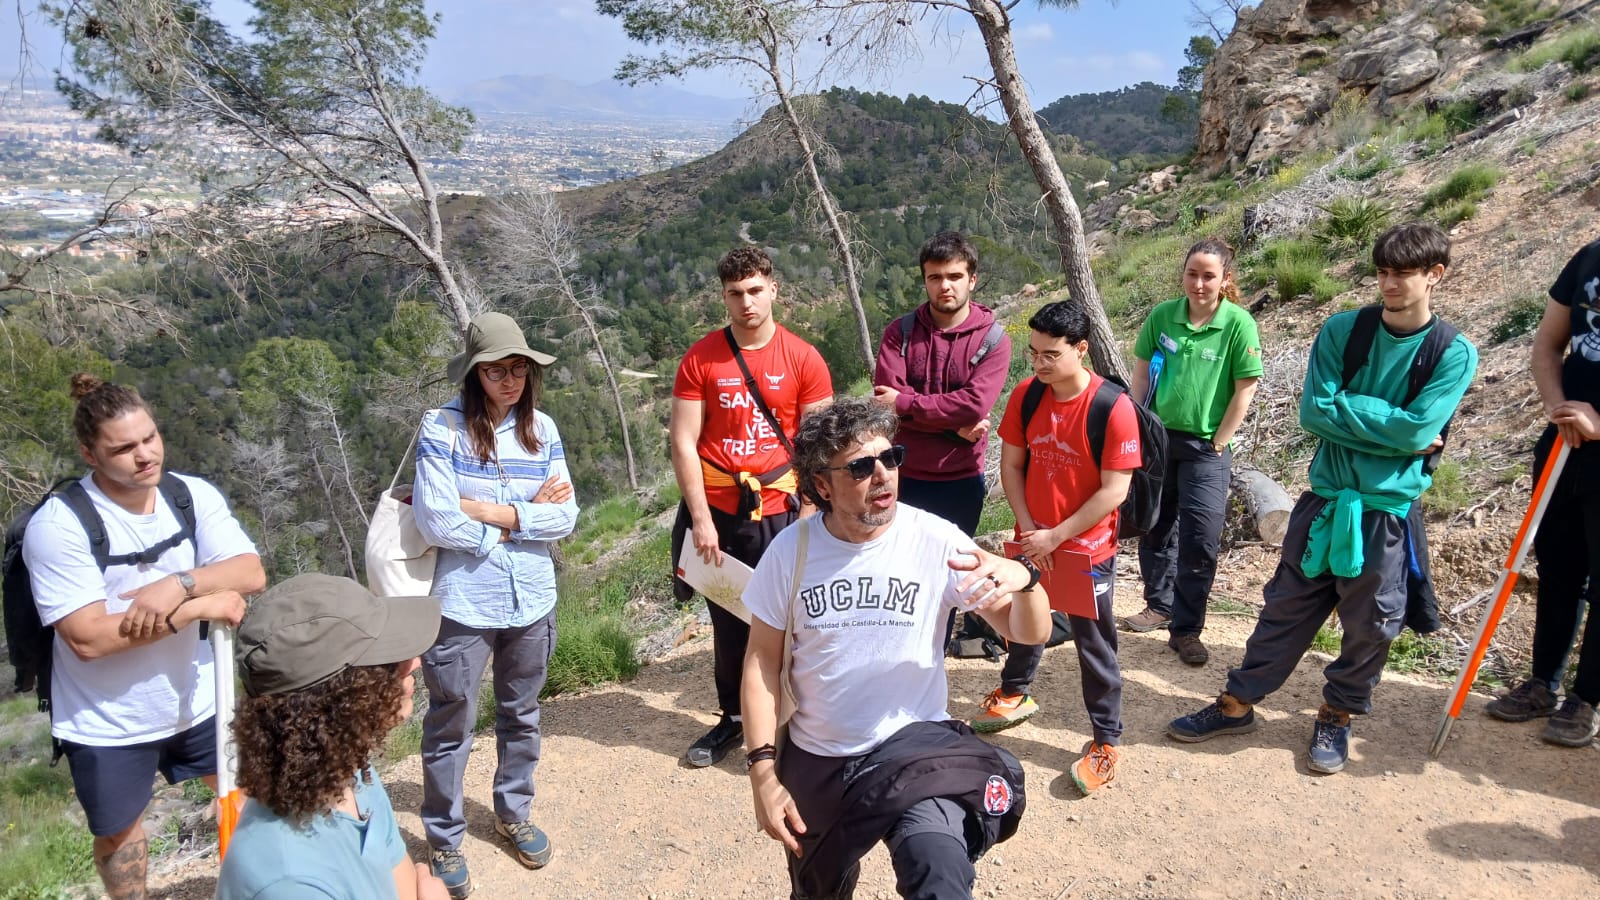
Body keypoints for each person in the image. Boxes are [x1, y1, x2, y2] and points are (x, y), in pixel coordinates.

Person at [1168, 222, 1478, 774]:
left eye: (1402, 274)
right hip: (1326, 498)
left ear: (1435, 275)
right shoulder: (1343, 331)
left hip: (1385, 510)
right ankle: (1237, 704)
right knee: (1285, 607)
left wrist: (1354, 413)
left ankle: (1336, 714)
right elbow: (1317, 413)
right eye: (1382, 271)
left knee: (1373, 623)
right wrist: (1395, 427)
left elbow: (1415, 431)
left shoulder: (1451, 352)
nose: (1388, 284)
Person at [741, 396, 1048, 899]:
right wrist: (762, 773)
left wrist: (1027, 580)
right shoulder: (789, 553)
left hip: (914, 750)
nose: (882, 475)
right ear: (822, 485)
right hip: (821, 758)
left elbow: (1027, 632)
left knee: (939, 869)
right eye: (860, 467)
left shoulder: (934, 539)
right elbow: (761, 662)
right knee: (817, 887)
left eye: (891, 458)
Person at [21, 374, 265, 900]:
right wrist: (195, 606)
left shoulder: (188, 496)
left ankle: (257, 888)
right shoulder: (59, 526)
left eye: (149, 437)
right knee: (117, 831)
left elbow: (249, 572)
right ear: (89, 453)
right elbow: (88, 638)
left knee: (243, 795)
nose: (145, 455)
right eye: (124, 448)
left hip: (199, 697)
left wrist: (175, 585)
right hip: (105, 718)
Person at [413, 312, 579, 898]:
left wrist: (489, 512)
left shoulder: (544, 430)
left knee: (522, 713)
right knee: (450, 720)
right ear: (474, 373)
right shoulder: (442, 429)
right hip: (464, 601)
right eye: (495, 371)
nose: (509, 381)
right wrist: (520, 522)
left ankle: (514, 811)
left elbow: (567, 515)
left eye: (518, 369)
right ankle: (445, 836)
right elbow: (435, 518)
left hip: (531, 596)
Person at [669, 247, 833, 767]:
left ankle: (796, 723)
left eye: (755, 290)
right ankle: (734, 721)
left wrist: (810, 517)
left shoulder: (803, 358)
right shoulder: (701, 359)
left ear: (774, 290)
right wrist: (700, 520)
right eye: (735, 293)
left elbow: (818, 445)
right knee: (728, 619)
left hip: (781, 509)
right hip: (719, 510)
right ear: (724, 297)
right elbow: (684, 441)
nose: (746, 303)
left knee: (789, 619)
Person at [219, 574, 449, 900]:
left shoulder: (350, 776)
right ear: (340, 699)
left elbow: (404, 885)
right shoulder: (289, 882)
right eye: (385, 659)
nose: (412, 663)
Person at [993, 301, 1142, 794]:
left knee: (1094, 642)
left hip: (1085, 549)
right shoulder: (1026, 397)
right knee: (1024, 620)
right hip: (1032, 537)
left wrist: (1055, 537)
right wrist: (1030, 529)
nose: (1038, 365)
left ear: (1082, 349)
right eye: (1033, 353)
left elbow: (1114, 490)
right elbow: (1012, 466)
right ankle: (1015, 691)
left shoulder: (1112, 407)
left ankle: (1105, 740)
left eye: (1050, 355)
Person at [1122, 238, 1263, 667]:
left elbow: (1245, 389)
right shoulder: (1164, 316)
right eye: (1192, 274)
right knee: (1154, 526)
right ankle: (1158, 605)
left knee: (1200, 538)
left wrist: (1219, 441)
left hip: (1207, 448)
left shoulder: (1238, 324)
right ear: (1183, 274)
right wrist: (1136, 426)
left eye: (1209, 276)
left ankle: (1186, 630)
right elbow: (1142, 375)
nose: (1199, 284)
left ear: (1224, 280)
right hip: (1159, 440)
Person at [1484, 236, 1600, 747]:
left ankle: (1587, 698)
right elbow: (1548, 345)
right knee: (1558, 569)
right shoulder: (1590, 258)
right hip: (1565, 446)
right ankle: (1542, 683)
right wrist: (1559, 409)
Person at [871, 231, 1010, 535]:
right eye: (935, 277)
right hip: (902, 475)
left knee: (953, 575)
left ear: (972, 280)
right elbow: (885, 405)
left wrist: (905, 403)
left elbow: (974, 405)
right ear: (925, 281)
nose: (945, 286)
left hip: (960, 480)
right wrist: (953, 426)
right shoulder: (901, 333)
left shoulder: (993, 340)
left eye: (954, 276)